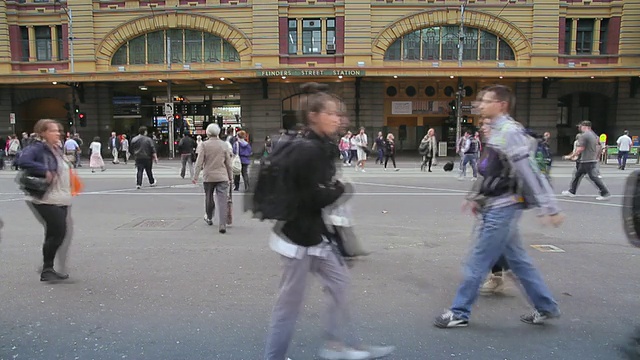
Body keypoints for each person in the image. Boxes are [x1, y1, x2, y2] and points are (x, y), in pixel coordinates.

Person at [264, 82, 395, 360]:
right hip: (297, 240)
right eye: (332, 114)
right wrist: (340, 189)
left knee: (340, 284)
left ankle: (336, 345)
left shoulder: (320, 146)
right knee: (288, 307)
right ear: (314, 115)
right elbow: (310, 198)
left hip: (316, 237)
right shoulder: (309, 150)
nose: (339, 119)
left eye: (339, 114)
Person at [434, 84, 564, 328]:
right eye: (481, 100)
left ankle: (459, 312)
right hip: (495, 205)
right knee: (518, 261)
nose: (481, 104)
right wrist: (476, 197)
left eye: (486, 100)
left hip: (503, 208)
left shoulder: (510, 131)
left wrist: (549, 206)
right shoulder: (495, 130)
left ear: (501, 105)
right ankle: (546, 307)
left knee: (478, 260)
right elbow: (491, 170)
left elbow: (529, 171)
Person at [16, 119, 74, 282]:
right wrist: (45, 170)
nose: (58, 134)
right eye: (53, 131)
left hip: (60, 196)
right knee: (58, 231)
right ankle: (47, 268)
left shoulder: (56, 149)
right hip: (44, 197)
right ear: (43, 133)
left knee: (56, 233)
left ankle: (48, 268)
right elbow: (22, 161)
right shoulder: (37, 148)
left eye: (58, 131)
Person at [192, 124, 233, 233]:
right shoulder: (224, 145)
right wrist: (230, 177)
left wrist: (195, 176)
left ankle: (209, 217)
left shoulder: (204, 145)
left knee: (209, 197)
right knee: (222, 200)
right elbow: (228, 163)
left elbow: (199, 162)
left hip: (208, 176)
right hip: (222, 175)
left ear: (208, 133)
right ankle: (222, 224)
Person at [561, 120, 611, 200]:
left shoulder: (584, 136)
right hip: (590, 159)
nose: (579, 128)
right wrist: (597, 156)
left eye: (580, 126)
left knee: (593, 177)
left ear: (585, 127)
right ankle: (572, 191)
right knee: (577, 175)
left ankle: (605, 192)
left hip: (587, 160)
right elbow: (599, 147)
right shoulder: (594, 135)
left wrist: (571, 156)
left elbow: (580, 148)